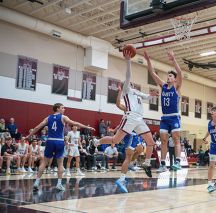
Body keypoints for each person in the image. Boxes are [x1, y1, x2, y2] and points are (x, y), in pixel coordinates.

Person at [93, 49, 158, 179]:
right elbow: (128, 76)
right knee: (115, 140)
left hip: (140, 119)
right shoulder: (127, 89)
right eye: (128, 83)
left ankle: (146, 163)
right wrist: (128, 61)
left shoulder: (137, 92)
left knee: (151, 142)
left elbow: (147, 97)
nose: (130, 83)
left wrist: (153, 95)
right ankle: (97, 141)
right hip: (130, 116)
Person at [27, 103, 95, 191]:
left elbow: (36, 128)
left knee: (44, 162)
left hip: (50, 141)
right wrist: (87, 127)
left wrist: (28, 136)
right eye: (63, 108)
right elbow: (75, 123)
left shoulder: (48, 118)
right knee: (60, 163)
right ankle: (59, 184)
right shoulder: (63, 117)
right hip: (59, 141)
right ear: (58, 108)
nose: (64, 109)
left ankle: (36, 182)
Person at [144, 50, 183, 172]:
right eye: (168, 75)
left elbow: (180, 72)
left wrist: (173, 60)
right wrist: (148, 60)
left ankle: (177, 162)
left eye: (171, 76)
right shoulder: (163, 86)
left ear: (175, 79)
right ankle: (162, 164)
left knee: (176, 139)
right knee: (164, 140)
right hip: (165, 117)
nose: (168, 77)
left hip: (174, 116)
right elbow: (152, 73)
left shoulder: (176, 87)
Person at [203, 107, 216, 193]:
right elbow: (209, 131)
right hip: (213, 145)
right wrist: (205, 137)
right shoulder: (209, 123)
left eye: (214, 111)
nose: (212, 112)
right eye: (212, 111)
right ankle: (209, 184)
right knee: (211, 164)